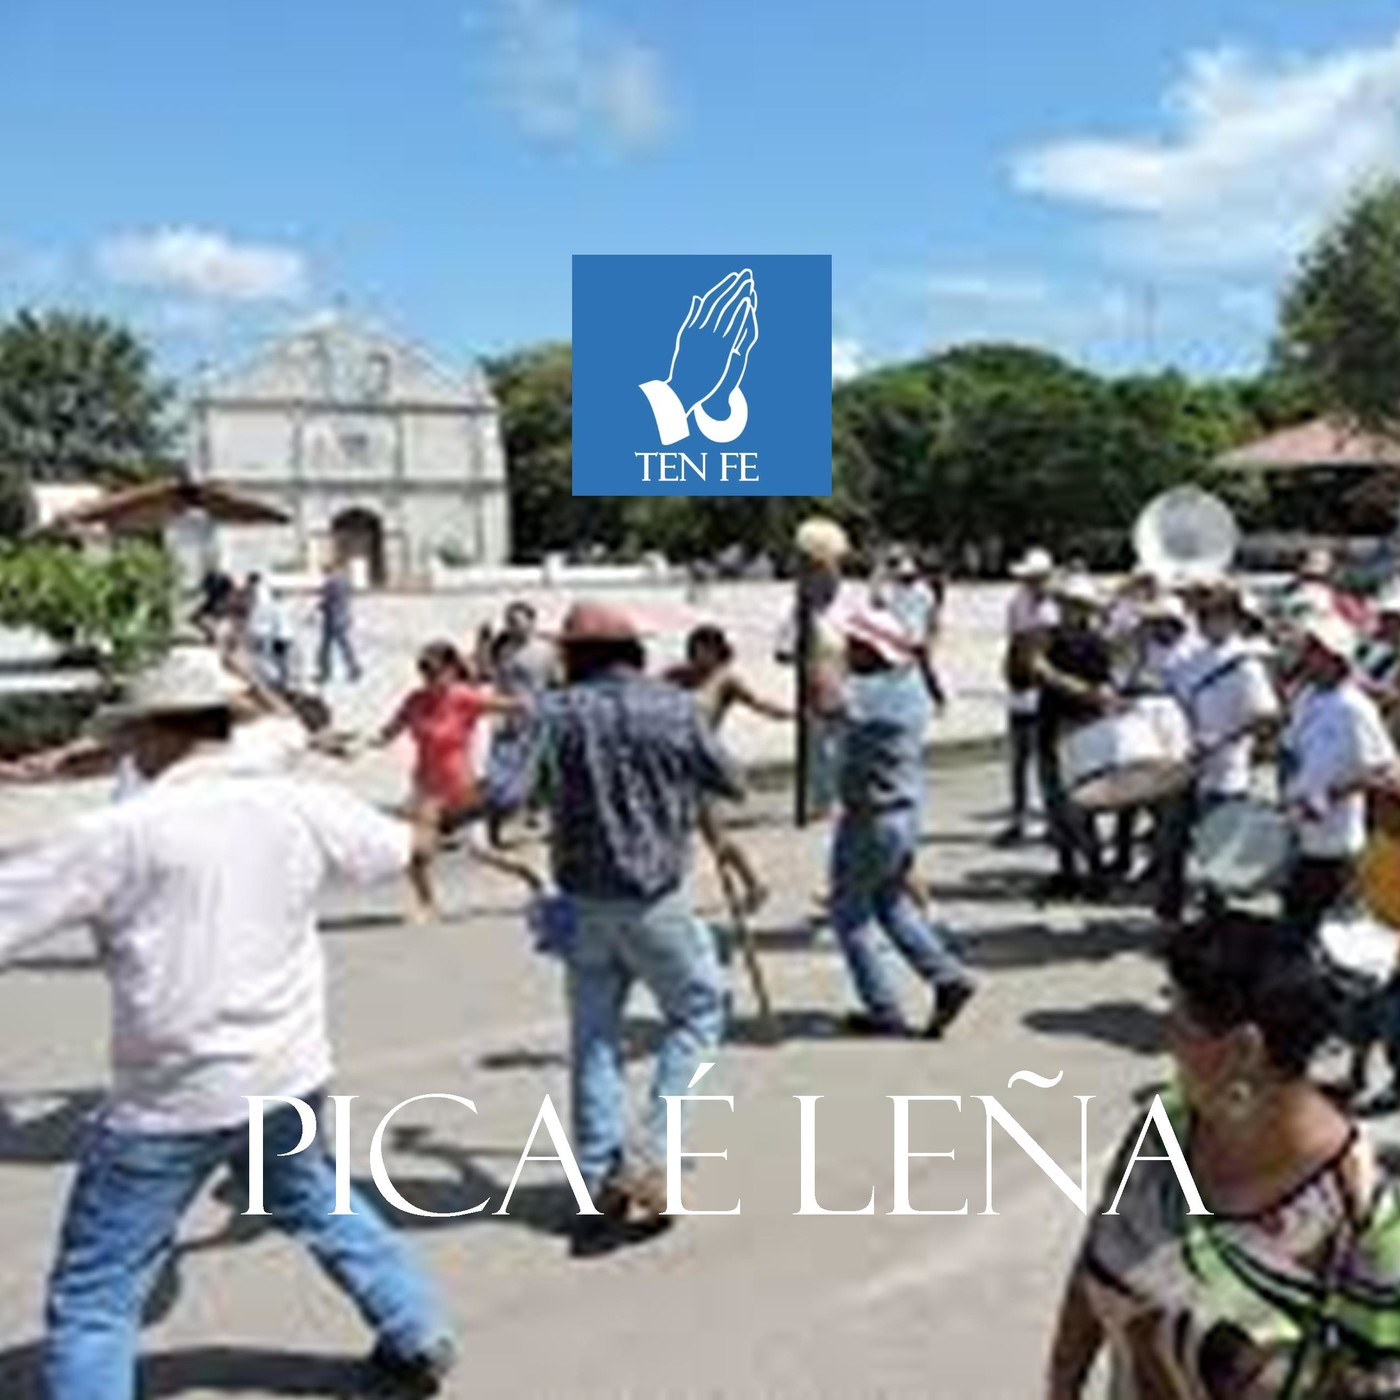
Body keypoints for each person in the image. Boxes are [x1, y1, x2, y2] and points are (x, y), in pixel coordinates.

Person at [0, 646, 453, 1400]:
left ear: (154, 731)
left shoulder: (116, 832)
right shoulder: (296, 801)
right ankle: (417, 1334)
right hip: (287, 1074)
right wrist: (431, 816)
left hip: (173, 1097)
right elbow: (404, 846)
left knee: (97, 1291)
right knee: (314, 1196)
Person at [1048, 911, 1400, 1399]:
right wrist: (1062, 1385)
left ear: (1243, 1048)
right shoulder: (1163, 1129)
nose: (1168, 1040)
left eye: (1181, 1021)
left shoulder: (1358, 1209)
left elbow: (1377, 1384)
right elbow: (1094, 1260)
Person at [483, 600, 742, 1256]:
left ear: (574, 656)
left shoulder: (552, 711)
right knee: (700, 1012)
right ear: (634, 653)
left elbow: (505, 794)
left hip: (582, 896)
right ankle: (648, 1155)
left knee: (594, 1039)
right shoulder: (674, 707)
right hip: (653, 896)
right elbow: (730, 780)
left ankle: (598, 1175)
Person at [827, 602, 975, 1037]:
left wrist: (816, 639)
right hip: (902, 814)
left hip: (871, 818)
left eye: (854, 645)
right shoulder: (908, 685)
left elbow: (824, 700)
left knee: (850, 916)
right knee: (891, 905)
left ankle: (883, 1008)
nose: (848, 651)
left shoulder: (873, 695)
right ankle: (946, 976)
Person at [374, 641, 536, 922]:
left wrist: (536, 706)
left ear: (450, 671)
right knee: (415, 850)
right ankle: (427, 905)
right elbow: (388, 732)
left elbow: (516, 706)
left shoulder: (463, 698)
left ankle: (531, 877)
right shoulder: (415, 700)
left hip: (460, 789)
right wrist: (356, 744)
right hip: (425, 788)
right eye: (424, 671)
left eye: (434, 672)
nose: (428, 678)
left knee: (480, 851)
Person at [1153, 580, 1280, 925]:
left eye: (1216, 614)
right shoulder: (1191, 658)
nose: (1207, 621)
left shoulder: (1246, 665)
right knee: (1170, 844)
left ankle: (1214, 922)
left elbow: (1266, 717)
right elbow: (1170, 700)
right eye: (1203, 614)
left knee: (1217, 852)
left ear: (1235, 619)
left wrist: (1221, 739)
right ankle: (1170, 916)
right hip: (1183, 767)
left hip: (1225, 771)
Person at [1281, 612, 1400, 939]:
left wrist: (1326, 797)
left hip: (1337, 841)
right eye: (1308, 648)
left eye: (1315, 650)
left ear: (1336, 660)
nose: (1306, 656)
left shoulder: (1356, 708)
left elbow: (1384, 771)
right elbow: (1292, 748)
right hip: (1301, 830)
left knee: (1328, 931)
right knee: (1295, 919)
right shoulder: (1306, 698)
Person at [665, 623, 792, 912]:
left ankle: (753, 883)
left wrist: (790, 715)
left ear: (717, 651)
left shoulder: (726, 680)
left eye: (706, 649)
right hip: (672, 762)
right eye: (696, 648)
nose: (700, 656)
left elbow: (759, 703)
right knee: (672, 830)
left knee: (716, 836)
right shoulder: (676, 675)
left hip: (703, 764)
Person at [1033, 573, 1115, 900]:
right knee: (1055, 806)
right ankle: (1067, 870)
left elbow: (1100, 694)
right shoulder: (1049, 639)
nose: (1067, 611)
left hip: (1080, 728)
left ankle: (1095, 872)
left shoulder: (1095, 644)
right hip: (1050, 725)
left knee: (1080, 808)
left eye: (1074, 606)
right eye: (1064, 604)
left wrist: (1052, 677)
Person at [997, 547, 1057, 846]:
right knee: (1019, 759)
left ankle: (1053, 820)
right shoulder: (1017, 602)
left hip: (1044, 688)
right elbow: (1015, 642)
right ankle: (1019, 817)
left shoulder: (1054, 607)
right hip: (1021, 685)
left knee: (1047, 760)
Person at [874, 547, 947, 710]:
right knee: (915, 671)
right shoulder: (911, 591)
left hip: (911, 637)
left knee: (921, 670)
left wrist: (879, 576)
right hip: (906, 636)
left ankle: (937, 699)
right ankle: (934, 699)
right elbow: (878, 602)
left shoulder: (916, 592)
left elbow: (878, 602)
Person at [316, 559, 361, 685]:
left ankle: (325, 672)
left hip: (332, 619)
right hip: (343, 617)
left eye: (324, 571)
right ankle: (354, 669)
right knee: (344, 646)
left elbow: (327, 600)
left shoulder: (330, 582)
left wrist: (319, 607)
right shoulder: (344, 580)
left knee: (326, 648)